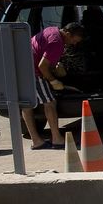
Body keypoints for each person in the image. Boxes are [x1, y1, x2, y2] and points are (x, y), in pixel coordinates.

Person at [24, 22, 85, 150]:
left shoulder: (52, 30)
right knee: (50, 103)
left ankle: (37, 141)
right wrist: (53, 81)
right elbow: (42, 66)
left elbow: (43, 55)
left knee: (27, 105)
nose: (74, 44)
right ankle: (57, 139)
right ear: (67, 34)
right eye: (74, 40)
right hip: (32, 72)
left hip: (21, 66)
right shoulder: (57, 42)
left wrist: (55, 67)